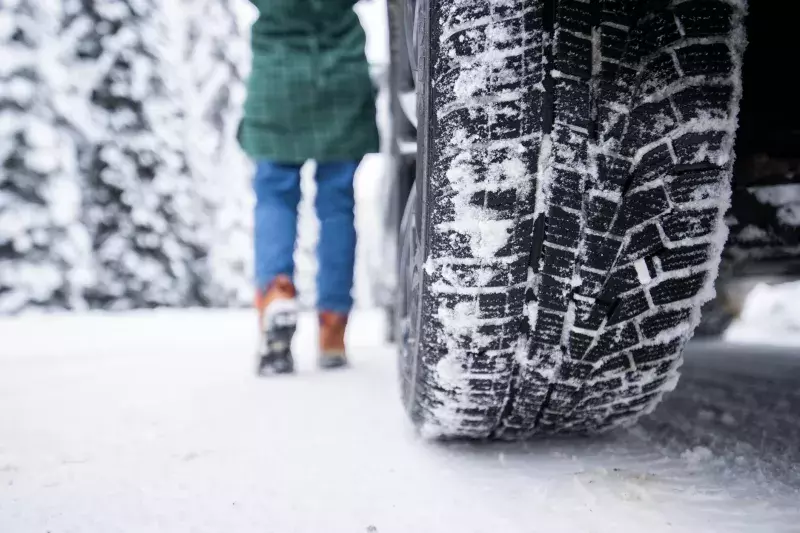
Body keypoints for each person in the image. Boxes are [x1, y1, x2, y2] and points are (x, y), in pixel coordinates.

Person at [239, 0, 379, 375]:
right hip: (342, 77)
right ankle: (333, 328)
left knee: (275, 195)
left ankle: (276, 294)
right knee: (336, 204)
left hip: (277, 78)